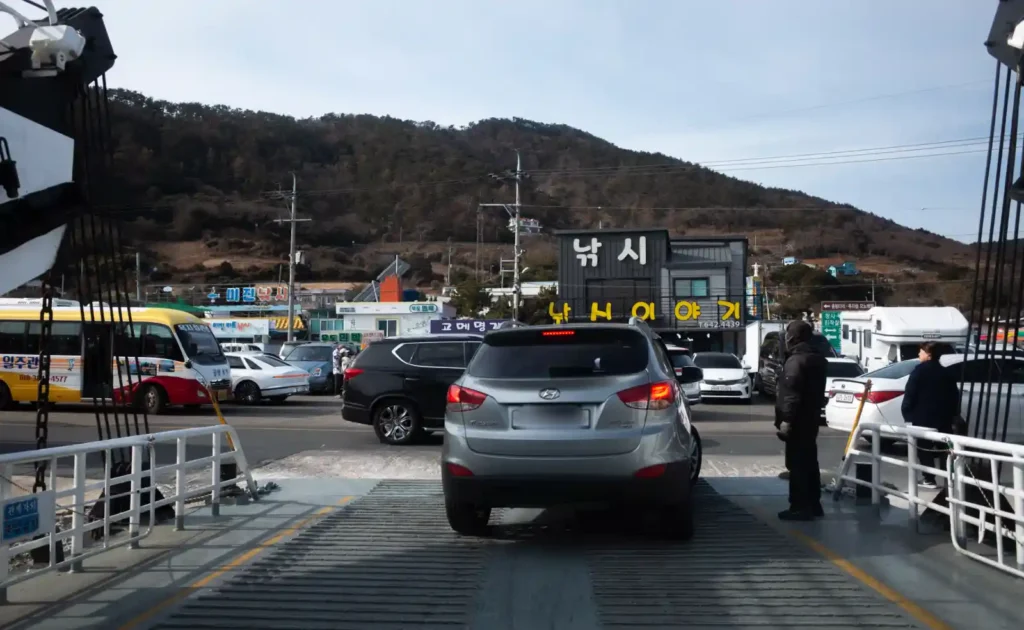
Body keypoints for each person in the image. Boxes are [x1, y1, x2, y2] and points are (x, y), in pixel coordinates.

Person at [775, 320, 828, 521]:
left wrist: (786, 419)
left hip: (797, 419)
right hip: (811, 417)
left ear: (793, 337)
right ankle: (814, 504)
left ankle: (799, 506)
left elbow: (791, 394)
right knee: (810, 462)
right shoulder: (818, 359)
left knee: (796, 464)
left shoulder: (796, 362)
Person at [901, 341, 959, 489]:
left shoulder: (919, 371)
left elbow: (910, 394)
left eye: (920, 351)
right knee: (945, 449)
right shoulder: (946, 373)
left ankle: (929, 478)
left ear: (928, 354)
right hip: (943, 418)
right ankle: (950, 479)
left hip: (922, 417)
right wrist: (954, 414)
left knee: (923, 448)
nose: (918, 354)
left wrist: (907, 414)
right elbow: (954, 396)